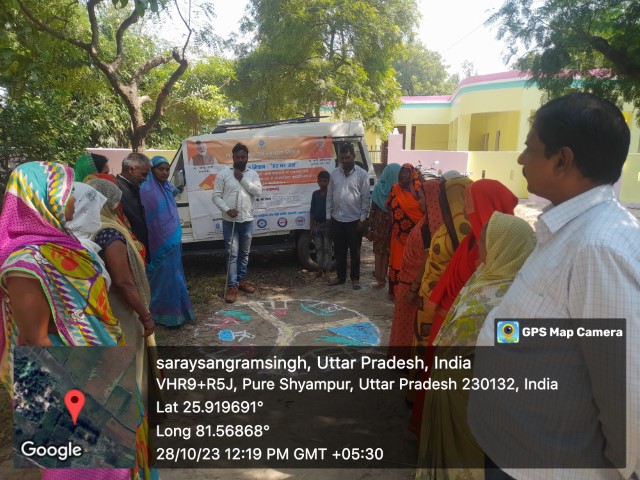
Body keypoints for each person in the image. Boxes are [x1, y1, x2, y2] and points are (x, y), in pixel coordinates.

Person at [468, 93, 640, 479]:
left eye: (530, 148)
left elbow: (627, 393)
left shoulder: (598, 248)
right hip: (515, 450)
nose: (520, 159)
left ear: (562, 160)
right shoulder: (566, 230)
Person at [0, 161, 154, 479]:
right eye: (67, 192)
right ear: (43, 199)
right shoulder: (25, 264)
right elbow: (36, 343)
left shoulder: (64, 247)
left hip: (101, 366)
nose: (74, 199)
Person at [416, 212, 535, 480]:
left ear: (503, 247)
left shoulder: (512, 300)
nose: (479, 248)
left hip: (472, 394)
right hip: (455, 384)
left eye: (485, 242)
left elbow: (508, 358)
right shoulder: (487, 275)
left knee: (467, 462)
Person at [425, 178, 518, 345]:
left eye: (470, 204)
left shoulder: (500, 252)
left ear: (484, 205)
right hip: (448, 317)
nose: (464, 209)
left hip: (469, 331)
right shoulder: (472, 239)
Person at [388, 176, 445, 360]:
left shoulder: (430, 227)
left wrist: (413, 288)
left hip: (414, 285)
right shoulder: (427, 221)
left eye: (421, 198)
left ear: (431, 199)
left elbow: (427, 259)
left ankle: (405, 361)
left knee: (409, 325)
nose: (418, 202)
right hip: (408, 282)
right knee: (404, 323)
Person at [140, 155, 195, 327]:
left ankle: (179, 311)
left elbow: (175, 191)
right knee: (161, 276)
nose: (164, 172)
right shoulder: (145, 190)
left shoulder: (167, 187)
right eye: (160, 169)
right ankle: (161, 314)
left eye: (167, 169)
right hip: (158, 242)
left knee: (176, 275)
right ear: (152, 170)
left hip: (173, 240)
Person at [212, 143, 263, 304]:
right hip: (230, 222)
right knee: (232, 254)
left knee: (244, 253)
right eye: (237, 157)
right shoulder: (223, 174)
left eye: (243, 157)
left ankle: (241, 280)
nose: (240, 159)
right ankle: (232, 286)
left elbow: (258, 191)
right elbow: (216, 196)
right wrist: (227, 209)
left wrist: (242, 179)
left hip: (247, 221)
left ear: (247, 158)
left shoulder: (253, 174)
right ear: (233, 157)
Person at [326, 144, 371, 289]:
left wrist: (363, 219)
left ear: (353, 156)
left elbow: (365, 198)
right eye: (342, 158)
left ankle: (355, 279)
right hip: (337, 219)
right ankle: (340, 277)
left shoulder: (362, 174)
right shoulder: (334, 174)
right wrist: (328, 216)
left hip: (354, 220)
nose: (345, 161)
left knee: (355, 251)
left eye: (347, 158)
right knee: (339, 251)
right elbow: (329, 196)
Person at [386, 163, 425, 300]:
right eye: (401, 172)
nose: (403, 175)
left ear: (412, 174)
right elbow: (389, 206)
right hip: (397, 234)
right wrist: (396, 223)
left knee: (412, 261)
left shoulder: (419, 189)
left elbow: (424, 209)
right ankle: (396, 291)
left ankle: (411, 290)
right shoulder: (395, 189)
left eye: (406, 172)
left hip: (415, 235)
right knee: (397, 260)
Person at [367, 163, 401, 290]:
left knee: (378, 252)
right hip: (393, 226)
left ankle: (379, 278)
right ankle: (382, 277)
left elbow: (372, 210)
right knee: (386, 252)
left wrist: (370, 228)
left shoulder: (378, 189)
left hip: (378, 226)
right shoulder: (398, 191)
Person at [116, 152, 151, 262]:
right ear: (132, 170)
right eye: (144, 174)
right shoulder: (118, 191)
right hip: (129, 250)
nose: (145, 179)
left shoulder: (131, 187)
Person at [310, 170, 332, 278]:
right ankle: (320, 270)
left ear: (328, 182)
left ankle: (327, 270)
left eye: (325, 181)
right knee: (318, 249)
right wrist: (311, 227)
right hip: (317, 225)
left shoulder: (330, 194)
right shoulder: (315, 194)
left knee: (327, 249)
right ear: (317, 182)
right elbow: (312, 211)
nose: (322, 183)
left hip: (328, 226)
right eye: (320, 181)